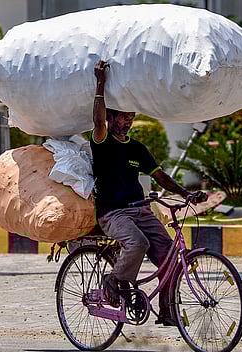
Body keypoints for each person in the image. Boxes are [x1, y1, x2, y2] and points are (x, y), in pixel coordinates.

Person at [91, 60, 208, 326]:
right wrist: (100, 83)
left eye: (131, 118)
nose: (127, 122)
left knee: (172, 258)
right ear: (110, 119)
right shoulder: (102, 142)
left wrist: (184, 193)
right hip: (113, 212)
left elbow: (160, 176)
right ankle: (113, 281)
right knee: (138, 244)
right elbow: (96, 117)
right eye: (122, 117)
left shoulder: (138, 149)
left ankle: (167, 312)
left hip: (140, 209)